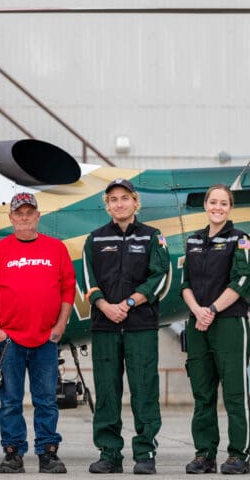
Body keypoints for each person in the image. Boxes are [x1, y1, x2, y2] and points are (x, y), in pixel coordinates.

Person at [0, 192, 74, 475]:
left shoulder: (56, 249)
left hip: (46, 339)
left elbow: (68, 290)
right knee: (10, 401)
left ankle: (48, 453)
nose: (24, 217)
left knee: (46, 400)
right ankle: (12, 454)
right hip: (10, 342)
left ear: (38, 216)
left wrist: (59, 327)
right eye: (18, 213)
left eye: (29, 212)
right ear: (11, 218)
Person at [81, 178, 170, 475]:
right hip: (105, 327)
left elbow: (160, 277)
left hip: (140, 327)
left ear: (135, 202)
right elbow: (88, 281)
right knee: (106, 391)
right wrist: (106, 307)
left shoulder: (152, 237)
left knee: (144, 390)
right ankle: (110, 454)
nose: (119, 204)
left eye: (124, 198)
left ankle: (145, 453)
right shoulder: (94, 239)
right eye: (113, 199)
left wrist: (129, 304)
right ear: (107, 206)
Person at [180, 184, 250, 475]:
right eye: (213, 202)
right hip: (198, 323)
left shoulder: (240, 240)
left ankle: (239, 455)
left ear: (230, 208)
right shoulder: (194, 240)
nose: (218, 207)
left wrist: (211, 310)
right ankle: (204, 454)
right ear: (205, 205)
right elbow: (184, 283)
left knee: (235, 394)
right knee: (203, 394)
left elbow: (241, 281)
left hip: (229, 323)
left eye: (224, 203)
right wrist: (198, 311)